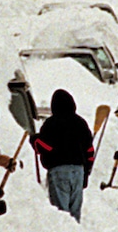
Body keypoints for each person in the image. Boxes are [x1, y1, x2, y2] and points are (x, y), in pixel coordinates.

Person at [33, 89, 95, 222]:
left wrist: (35, 141)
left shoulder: (51, 123)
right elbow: (89, 150)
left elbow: (46, 147)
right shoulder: (81, 123)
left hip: (59, 170)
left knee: (61, 214)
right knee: (75, 211)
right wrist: (86, 172)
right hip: (79, 170)